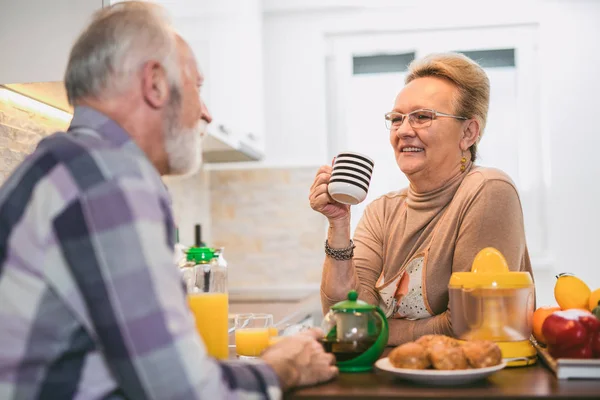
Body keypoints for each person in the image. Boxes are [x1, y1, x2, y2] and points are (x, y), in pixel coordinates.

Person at [0, 2, 336, 399]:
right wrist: (283, 368)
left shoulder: (66, 164)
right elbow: (182, 391)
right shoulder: (109, 178)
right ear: (155, 84)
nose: (207, 113)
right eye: (198, 86)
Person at [309, 53, 533, 346]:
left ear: (468, 133)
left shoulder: (488, 189)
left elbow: (471, 326)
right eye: (396, 119)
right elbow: (345, 318)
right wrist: (338, 223)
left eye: (422, 117)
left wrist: (376, 331)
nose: (403, 131)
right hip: (396, 382)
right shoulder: (382, 210)